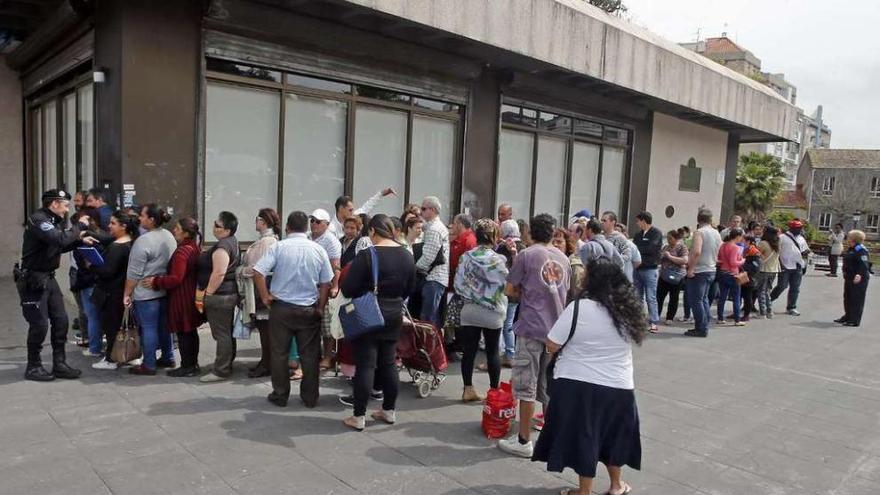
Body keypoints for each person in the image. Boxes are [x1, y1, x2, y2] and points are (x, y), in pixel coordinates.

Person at [532, 259, 646, 495]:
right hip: (619, 386)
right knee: (613, 436)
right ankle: (616, 485)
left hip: (576, 383)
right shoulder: (628, 309)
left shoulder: (579, 307)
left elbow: (552, 344)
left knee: (586, 436)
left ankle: (584, 492)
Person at [498, 214, 570, 458]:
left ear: (530, 232)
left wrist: (525, 291)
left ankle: (523, 440)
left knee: (526, 386)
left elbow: (510, 289)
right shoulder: (564, 259)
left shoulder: (526, 255)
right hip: (556, 330)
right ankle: (553, 438)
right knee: (549, 387)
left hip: (531, 326)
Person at [340, 215, 416, 430]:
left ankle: (358, 416)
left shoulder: (367, 255)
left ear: (373, 231)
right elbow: (410, 288)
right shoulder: (406, 255)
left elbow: (348, 288)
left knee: (365, 364)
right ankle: (389, 410)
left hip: (369, 313)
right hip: (394, 312)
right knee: (389, 362)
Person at [254, 211, 333, 409]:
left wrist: (265, 296)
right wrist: (321, 307)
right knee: (310, 355)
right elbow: (326, 283)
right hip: (308, 307)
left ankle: (280, 395)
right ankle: (310, 397)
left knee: (279, 353)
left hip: (282, 307)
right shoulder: (317, 250)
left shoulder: (279, 247)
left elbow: (258, 271)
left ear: (288, 227)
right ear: (306, 228)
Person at [17, 189, 90, 381]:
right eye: (65, 205)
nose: (67, 210)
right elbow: (58, 239)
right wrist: (79, 227)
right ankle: (33, 366)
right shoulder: (39, 220)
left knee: (61, 321)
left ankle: (59, 364)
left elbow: (60, 245)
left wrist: (79, 240)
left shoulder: (53, 221)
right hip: (34, 280)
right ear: (54, 204)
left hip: (49, 278)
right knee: (39, 325)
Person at [455, 219, 509, 402]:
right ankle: (494, 392)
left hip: (470, 309)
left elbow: (458, 284)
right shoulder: (499, 260)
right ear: (494, 237)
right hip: (493, 311)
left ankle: (467, 389)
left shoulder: (466, 257)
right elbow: (505, 285)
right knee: (492, 351)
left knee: (469, 351)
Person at [144, 217, 204, 377]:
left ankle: (187, 366)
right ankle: (193, 364)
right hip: (190, 295)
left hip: (181, 298)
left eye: (177, 228)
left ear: (185, 233)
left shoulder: (182, 252)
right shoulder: (193, 247)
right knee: (190, 332)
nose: (174, 230)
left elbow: (176, 278)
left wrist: (156, 281)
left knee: (184, 332)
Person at [124, 204, 177, 375]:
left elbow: (134, 273)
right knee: (164, 327)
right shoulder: (169, 236)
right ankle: (168, 357)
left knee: (148, 328)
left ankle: (149, 364)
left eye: (142, 215)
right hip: (163, 289)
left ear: (152, 219)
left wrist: (127, 293)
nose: (139, 218)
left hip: (146, 293)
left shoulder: (143, 241)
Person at [89, 211, 138, 370]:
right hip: (126, 292)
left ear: (123, 226)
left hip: (112, 294)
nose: (109, 226)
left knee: (112, 328)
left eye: (113, 223)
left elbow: (107, 271)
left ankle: (112, 359)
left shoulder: (117, 247)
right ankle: (129, 355)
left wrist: (93, 265)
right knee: (126, 326)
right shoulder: (132, 243)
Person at [197, 211, 241, 382]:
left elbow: (219, 272)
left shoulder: (223, 246)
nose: (214, 227)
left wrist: (208, 293)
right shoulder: (231, 242)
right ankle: (227, 362)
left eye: (217, 225)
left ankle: (221, 369)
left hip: (220, 295)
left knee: (221, 333)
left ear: (227, 230)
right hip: (227, 294)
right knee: (227, 332)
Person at [239, 208, 281, 378]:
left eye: (257, 219)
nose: (255, 222)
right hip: (262, 287)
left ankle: (267, 364)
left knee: (266, 329)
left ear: (263, 221)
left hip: (262, 288)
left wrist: (240, 271)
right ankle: (265, 361)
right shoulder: (268, 240)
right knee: (265, 329)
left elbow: (257, 268)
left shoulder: (266, 242)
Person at [310, 208, 343, 372]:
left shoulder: (330, 240)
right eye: (312, 221)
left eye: (317, 221)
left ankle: (328, 356)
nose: (313, 224)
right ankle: (315, 355)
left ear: (327, 224)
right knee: (313, 323)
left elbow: (336, 267)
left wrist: (335, 286)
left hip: (326, 286)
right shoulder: (309, 238)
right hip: (310, 286)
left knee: (327, 325)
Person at [684, 209, 722, 338]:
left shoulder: (699, 232)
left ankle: (700, 328)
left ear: (698, 219)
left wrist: (690, 269)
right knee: (704, 299)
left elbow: (696, 252)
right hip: (711, 268)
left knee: (696, 301)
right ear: (710, 219)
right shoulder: (716, 233)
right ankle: (704, 325)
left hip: (700, 270)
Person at [415, 196, 450, 327]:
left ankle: (429, 346)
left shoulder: (434, 229)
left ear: (433, 210)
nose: (421, 212)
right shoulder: (433, 227)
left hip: (433, 278)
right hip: (435, 278)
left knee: (427, 319)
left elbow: (428, 257)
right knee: (430, 317)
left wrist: (414, 267)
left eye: (423, 209)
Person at [495, 219, 524, 368]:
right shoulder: (523, 247)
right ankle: (510, 353)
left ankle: (503, 354)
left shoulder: (502, 248)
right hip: (517, 292)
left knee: (502, 324)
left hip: (504, 290)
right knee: (509, 323)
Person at [770, 219, 810, 316]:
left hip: (797, 266)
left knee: (795, 287)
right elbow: (777, 252)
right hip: (785, 266)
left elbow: (806, 251)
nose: (800, 230)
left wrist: (805, 262)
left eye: (800, 228)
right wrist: (780, 264)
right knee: (782, 286)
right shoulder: (782, 237)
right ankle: (769, 300)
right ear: (791, 228)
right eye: (797, 228)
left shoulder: (801, 238)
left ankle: (791, 307)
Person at [632, 212, 663, 332]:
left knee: (651, 297)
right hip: (638, 268)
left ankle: (654, 321)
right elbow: (633, 247)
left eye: (638, 221)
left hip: (650, 269)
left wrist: (639, 249)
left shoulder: (656, 233)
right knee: (637, 296)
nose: (637, 223)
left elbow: (651, 248)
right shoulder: (638, 235)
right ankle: (639, 320)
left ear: (644, 221)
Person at [835, 230, 871, 327]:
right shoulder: (851, 248)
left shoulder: (861, 250)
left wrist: (859, 274)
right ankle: (848, 316)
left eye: (849, 237)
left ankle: (854, 320)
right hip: (849, 277)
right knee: (848, 298)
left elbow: (864, 264)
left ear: (854, 239)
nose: (847, 239)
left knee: (856, 299)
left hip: (859, 278)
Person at [329, 188, 396, 238]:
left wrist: (381, 194)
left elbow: (367, 206)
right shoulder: (331, 229)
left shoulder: (354, 216)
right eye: (350, 210)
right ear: (341, 209)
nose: (353, 213)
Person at [656, 230, 689, 325]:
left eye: (670, 238)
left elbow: (684, 260)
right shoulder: (666, 247)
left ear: (676, 238)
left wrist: (670, 257)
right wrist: (661, 257)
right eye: (668, 238)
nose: (669, 240)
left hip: (676, 276)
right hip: (664, 275)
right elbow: (659, 259)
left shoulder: (682, 247)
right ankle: (656, 315)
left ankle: (670, 317)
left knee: (674, 297)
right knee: (659, 296)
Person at [716, 228, 746, 326]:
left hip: (722, 272)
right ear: (737, 236)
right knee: (736, 297)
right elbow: (733, 263)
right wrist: (742, 260)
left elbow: (719, 259)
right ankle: (737, 319)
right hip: (732, 274)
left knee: (722, 297)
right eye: (741, 236)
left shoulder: (723, 245)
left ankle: (720, 317)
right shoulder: (735, 247)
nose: (741, 239)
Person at [552, 228, 585, 304]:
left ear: (567, 244)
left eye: (559, 242)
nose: (555, 245)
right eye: (552, 242)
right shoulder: (546, 263)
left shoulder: (574, 264)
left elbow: (577, 293)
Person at [755, 226, 781, 319]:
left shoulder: (763, 243)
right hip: (774, 270)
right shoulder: (777, 243)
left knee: (761, 291)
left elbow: (756, 254)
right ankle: (769, 311)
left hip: (764, 269)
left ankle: (762, 312)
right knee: (767, 291)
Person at [449, 213, 477, 289]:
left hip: (462, 285)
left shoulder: (469, 241)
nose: (451, 226)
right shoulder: (458, 240)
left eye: (454, 223)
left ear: (460, 225)